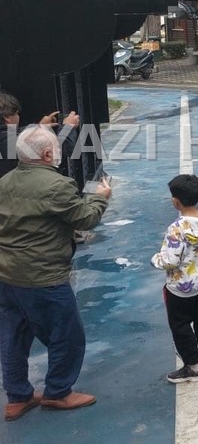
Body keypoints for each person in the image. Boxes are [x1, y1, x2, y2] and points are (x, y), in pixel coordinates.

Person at [0, 126, 110, 419]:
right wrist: (101, 197)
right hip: (43, 274)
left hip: (7, 274)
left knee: (13, 335)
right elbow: (85, 219)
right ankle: (58, 392)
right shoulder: (57, 185)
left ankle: (17, 396)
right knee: (66, 333)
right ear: (48, 154)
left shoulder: (5, 182)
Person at [152, 174, 198, 384]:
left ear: (175, 201)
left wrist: (155, 259)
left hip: (179, 289)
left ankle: (194, 366)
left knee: (181, 325)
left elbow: (169, 260)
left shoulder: (176, 229)